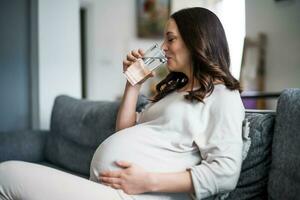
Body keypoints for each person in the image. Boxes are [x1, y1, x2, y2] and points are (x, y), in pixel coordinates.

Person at [0, 7, 245, 200]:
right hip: (114, 191)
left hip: (140, 194)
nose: (163, 47)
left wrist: (147, 181)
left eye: (170, 39)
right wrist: (133, 84)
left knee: (6, 175)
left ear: (196, 40)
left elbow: (225, 173)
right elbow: (124, 133)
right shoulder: (174, 93)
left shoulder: (223, 95)